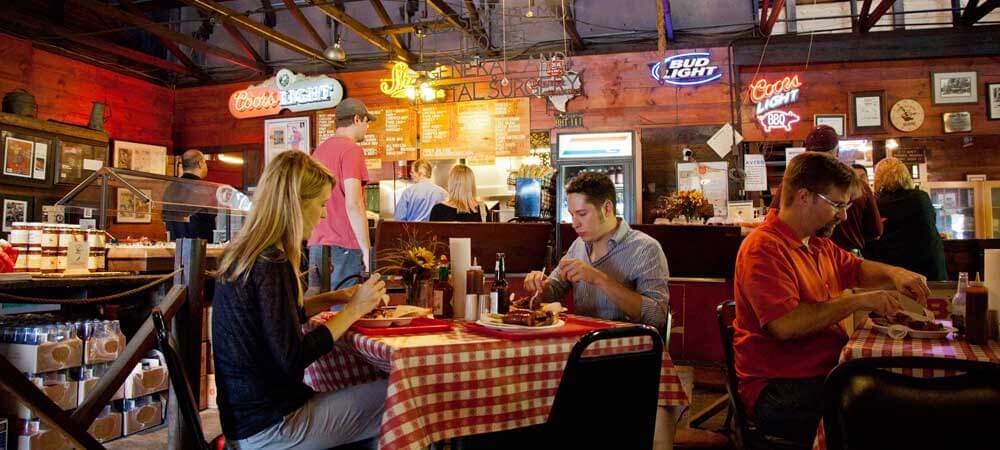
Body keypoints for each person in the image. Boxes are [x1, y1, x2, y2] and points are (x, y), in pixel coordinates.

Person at [734, 151, 931, 444]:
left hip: (821, 373)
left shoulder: (816, 242)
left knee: (905, 396)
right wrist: (860, 301)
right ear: (804, 197)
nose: (844, 215)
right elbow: (786, 325)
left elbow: (856, 269)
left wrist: (896, 275)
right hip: (779, 389)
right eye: (837, 205)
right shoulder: (763, 248)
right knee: (896, 412)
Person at [212, 150, 388, 450]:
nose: (322, 214)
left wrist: (337, 297)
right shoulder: (272, 262)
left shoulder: (249, 254)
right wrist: (355, 309)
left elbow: (276, 320)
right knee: (399, 394)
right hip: (272, 426)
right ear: (295, 204)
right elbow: (292, 359)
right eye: (320, 204)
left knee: (368, 402)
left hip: (244, 421)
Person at [524, 172, 670, 330]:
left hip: (627, 349)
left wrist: (599, 279)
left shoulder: (646, 249)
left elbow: (657, 316)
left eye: (582, 214)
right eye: (572, 215)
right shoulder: (578, 245)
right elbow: (554, 289)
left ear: (607, 208)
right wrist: (540, 286)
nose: (574, 224)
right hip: (583, 344)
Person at [769, 125, 882, 254]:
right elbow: (875, 231)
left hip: (810, 255)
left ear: (807, 152)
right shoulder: (860, 186)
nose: (843, 215)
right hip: (840, 254)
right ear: (837, 152)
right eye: (838, 205)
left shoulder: (791, 184)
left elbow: (775, 220)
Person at [308, 98, 378, 292]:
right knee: (344, 311)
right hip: (344, 245)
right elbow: (353, 203)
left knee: (317, 310)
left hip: (317, 244)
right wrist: (366, 250)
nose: (367, 128)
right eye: (366, 122)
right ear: (357, 119)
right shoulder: (351, 150)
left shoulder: (318, 152)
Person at [865, 157, 947, 280]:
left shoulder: (877, 203)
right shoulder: (921, 198)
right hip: (930, 268)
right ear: (905, 175)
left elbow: (871, 239)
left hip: (895, 273)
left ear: (878, 178)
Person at [163, 149, 216, 242]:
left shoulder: (170, 188)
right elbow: (211, 223)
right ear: (200, 163)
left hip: (175, 247)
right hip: (198, 249)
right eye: (205, 163)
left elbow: (166, 219)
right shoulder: (205, 190)